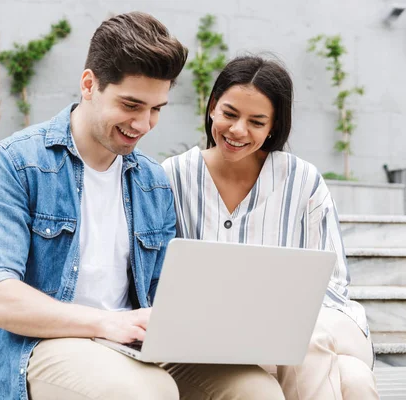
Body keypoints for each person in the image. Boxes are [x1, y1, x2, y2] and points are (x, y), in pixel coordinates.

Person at [0, 11, 194, 400]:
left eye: (156, 109)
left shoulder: (153, 181)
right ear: (89, 84)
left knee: (253, 388)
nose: (143, 124)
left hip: (132, 344)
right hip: (41, 345)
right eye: (131, 105)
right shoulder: (17, 162)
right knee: (149, 392)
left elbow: (164, 294)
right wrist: (106, 324)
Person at [162, 55, 378, 399]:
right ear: (212, 107)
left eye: (256, 121)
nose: (237, 130)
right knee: (354, 381)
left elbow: (333, 283)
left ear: (273, 127)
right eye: (230, 114)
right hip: (216, 343)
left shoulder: (302, 180)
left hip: (321, 330)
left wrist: (275, 320)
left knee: (304, 333)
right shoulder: (173, 176)